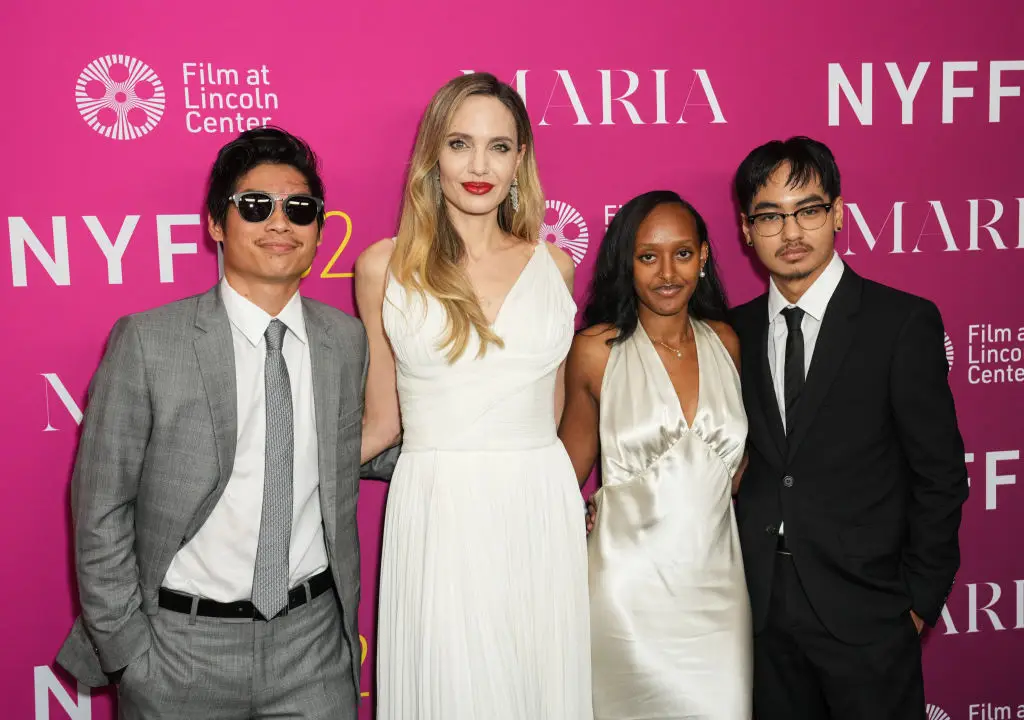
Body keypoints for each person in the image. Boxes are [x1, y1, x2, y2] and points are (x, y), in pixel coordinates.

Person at [56, 127, 398, 719]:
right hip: (178, 653)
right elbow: (100, 507)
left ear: (320, 229)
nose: (280, 223)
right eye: (256, 205)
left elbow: (371, 447)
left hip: (313, 648)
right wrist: (128, 654)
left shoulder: (346, 342)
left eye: (299, 208)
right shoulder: (149, 341)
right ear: (217, 223)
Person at [354, 72, 591, 719]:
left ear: (520, 160)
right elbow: (382, 423)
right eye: (460, 144)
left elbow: (552, 415)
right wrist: (275, 476)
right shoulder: (384, 266)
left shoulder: (556, 267)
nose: (479, 166)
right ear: (433, 154)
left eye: (499, 146)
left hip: (539, 506)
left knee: (537, 684)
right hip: (439, 509)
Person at [729, 136, 969, 719]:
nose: (791, 232)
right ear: (746, 230)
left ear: (837, 213)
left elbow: (939, 475)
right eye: (770, 216)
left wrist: (917, 602)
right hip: (758, 612)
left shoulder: (901, 323)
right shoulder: (730, 333)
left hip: (869, 611)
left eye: (808, 210)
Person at [559, 191, 752, 719]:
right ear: (627, 263)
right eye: (648, 256)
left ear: (704, 255)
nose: (667, 273)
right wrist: (584, 510)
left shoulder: (727, 342)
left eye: (682, 253)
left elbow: (731, 473)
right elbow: (563, 474)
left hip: (719, 597)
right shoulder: (595, 351)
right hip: (626, 598)